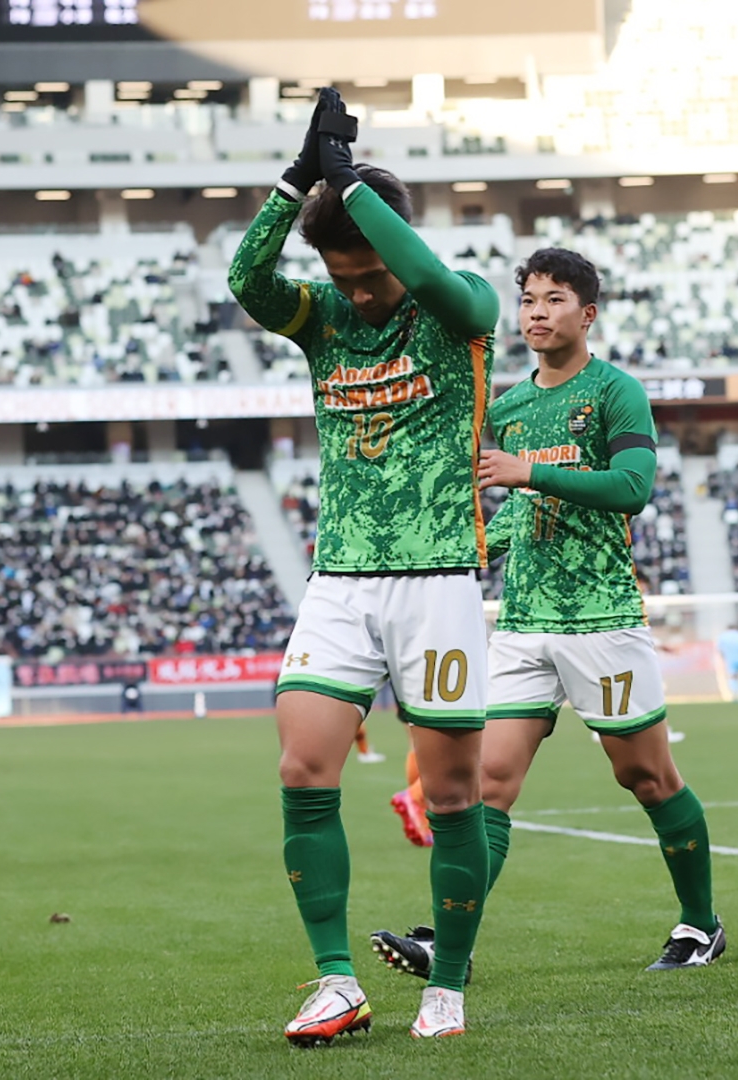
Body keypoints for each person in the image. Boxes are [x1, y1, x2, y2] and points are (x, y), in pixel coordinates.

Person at [369, 248, 723, 983]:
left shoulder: (617, 392)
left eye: (554, 299)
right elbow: (519, 513)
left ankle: (700, 923)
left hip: (601, 618)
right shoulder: (509, 408)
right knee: (484, 783)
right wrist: (464, 543)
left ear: (586, 314)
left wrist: (528, 471)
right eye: (528, 298)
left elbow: (631, 487)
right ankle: (448, 942)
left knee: (648, 778)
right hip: (524, 624)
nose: (535, 311)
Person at [229, 86, 497, 1043]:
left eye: (366, 272)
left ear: (392, 249)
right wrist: (298, 181)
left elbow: (433, 280)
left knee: (455, 792)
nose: (356, 290)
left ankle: (448, 985)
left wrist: (356, 185)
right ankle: (336, 980)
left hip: (438, 581)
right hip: (340, 578)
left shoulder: (458, 314)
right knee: (304, 767)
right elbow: (246, 284)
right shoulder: (323, 321)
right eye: (340, 273)